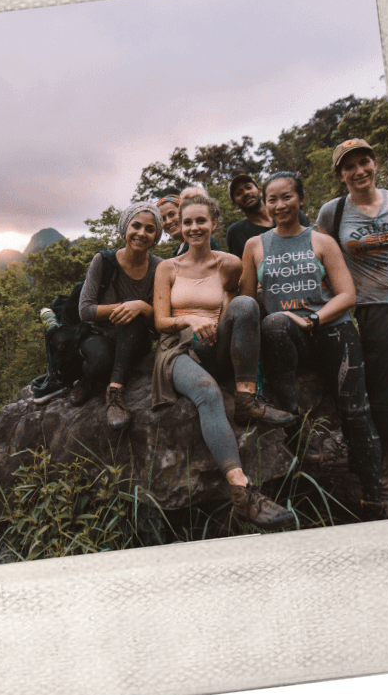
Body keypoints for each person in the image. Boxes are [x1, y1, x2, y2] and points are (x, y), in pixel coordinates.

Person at [240, 172, 388, 518]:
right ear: (265, 204)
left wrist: (313, 319)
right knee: (274, 323)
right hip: (288, 336)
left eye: (286, 197)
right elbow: (246, 302)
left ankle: (374, 496)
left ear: (301, 200)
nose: (279, 205)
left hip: (331, 329)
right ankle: (297, 429)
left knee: (356, 411)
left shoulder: (321, 241)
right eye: (272, 199)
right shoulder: (255, 246)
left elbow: (347, 294)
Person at [152, 192, 298, 528]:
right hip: (179, 347)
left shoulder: (228, 263)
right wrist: (189, 319)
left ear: (214, 223)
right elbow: (160, 321)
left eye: (201, 220)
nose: (193, 227)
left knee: (246, 306)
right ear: (180, 227)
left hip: (215, 344)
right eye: (187, 222)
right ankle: (242, 492)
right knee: (208, 392)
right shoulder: (167, 268)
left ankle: (246, 397)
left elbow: (243, 305)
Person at [319, 138, 388, 510]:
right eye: (349, 167)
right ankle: (384, 483)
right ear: (340, 175)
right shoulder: (333, 213)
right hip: (376, 308)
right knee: (386, 399)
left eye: (364, 162)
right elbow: (317, 258)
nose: (359, 171)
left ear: (375, 162)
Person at [74, 202, 163, 425]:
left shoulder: (159, 268)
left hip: (136, 338)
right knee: (99, 365)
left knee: (134, 313)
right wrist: (125, 305)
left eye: (150, 229)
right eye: (136, 226)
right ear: (125, 228)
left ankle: (115, 393)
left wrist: (142, 307)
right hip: (100, 334)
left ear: (156, 236)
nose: (142, 233)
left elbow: (160, 320)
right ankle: (87, 376)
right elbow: (85, 310)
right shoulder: (103, 261)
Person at [226, 171, 309, 256]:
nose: (246, 193)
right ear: (235, 204)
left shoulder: (294, 215)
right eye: (239, 193)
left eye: (248, 187)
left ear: (260, 192)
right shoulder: (236, 232)